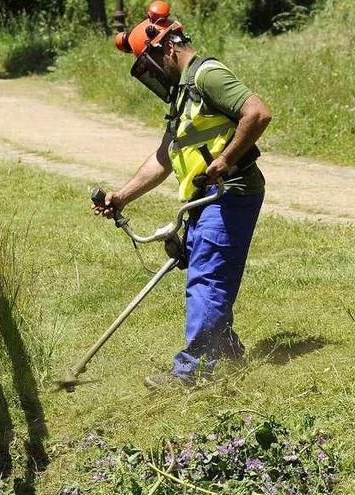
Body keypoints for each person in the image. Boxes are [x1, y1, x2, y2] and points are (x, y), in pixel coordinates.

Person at [93, 1, 272, 388]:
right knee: (204, 272)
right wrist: (121, 196)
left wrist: (225, 159)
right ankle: (225, 352)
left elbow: (257, 113)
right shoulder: (183, 93)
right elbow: (164, 157)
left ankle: (192, 372)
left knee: (206, 279)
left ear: (168, 47)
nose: (152, 73)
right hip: (202, 200)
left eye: (150, 63)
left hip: (229, 194)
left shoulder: (208, 75)